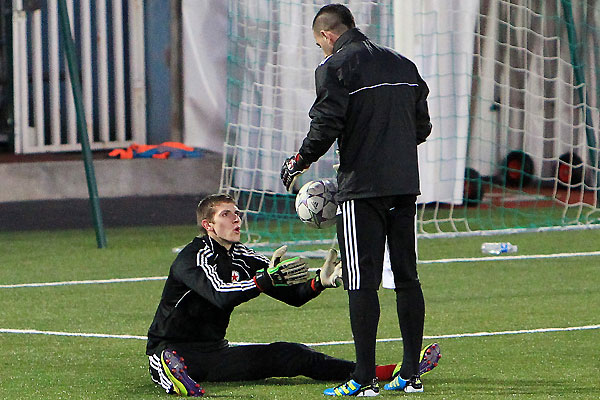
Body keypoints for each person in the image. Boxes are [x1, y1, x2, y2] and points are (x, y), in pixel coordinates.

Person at [280, 3, 436, 396]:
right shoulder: (403, 63)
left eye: (320, 44)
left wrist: (298, 161)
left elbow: (326, 123)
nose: (322, 51)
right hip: (403, 185)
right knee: (406, 277)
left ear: (328, 36)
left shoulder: (335, 67)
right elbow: (423, 126)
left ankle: (363, 380)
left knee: (361, 283)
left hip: (361, 190)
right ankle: (411, 375)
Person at [146, 193, 425, 397]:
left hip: (214, 353)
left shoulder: (244, 256)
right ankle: (170, 372)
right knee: (170, 356)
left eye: (237, 213)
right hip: (170, 347)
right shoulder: (193, 256)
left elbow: (293, 295)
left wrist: (319, 282)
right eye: (226, 214)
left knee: (292, 354)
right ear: (208, 225)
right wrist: (264, 280)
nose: (236, 219)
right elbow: (219, 293)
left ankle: (381, 372)